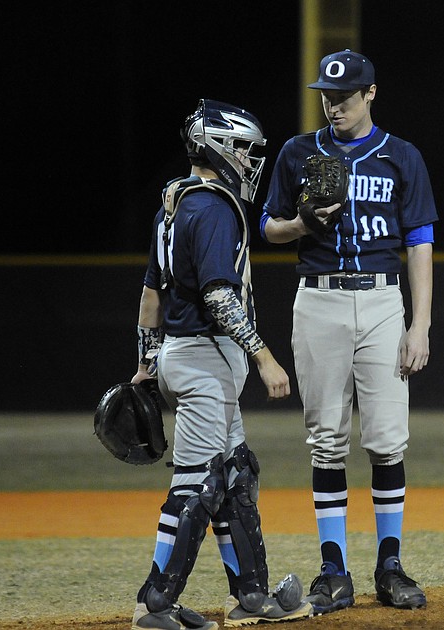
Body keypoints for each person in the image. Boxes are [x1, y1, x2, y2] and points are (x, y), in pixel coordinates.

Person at [260, 49, 438, 614]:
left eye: (344, 95)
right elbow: (268, 226)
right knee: (327, 439)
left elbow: (420, 242)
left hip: (384, 299)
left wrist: (421, 323)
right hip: (319, 300)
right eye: (326, 95)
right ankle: (333, 569)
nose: (332, 104)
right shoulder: (297, 152)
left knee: (387, 439)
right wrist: (301, 224)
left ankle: (390, 565)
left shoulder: (402, 156)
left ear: (371, 94)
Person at [130, 99, 313, 630]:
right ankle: (154, 602)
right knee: (197, 485)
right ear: (216, 146)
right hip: (205, 357)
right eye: (243, 149)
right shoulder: (213, 206)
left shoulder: (176, 202)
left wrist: (146, 361)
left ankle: (252, 596)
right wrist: (266, 357)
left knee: (235, 475)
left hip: (181, 356)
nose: (250, 160)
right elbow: (218, 297)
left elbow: (150, 296)